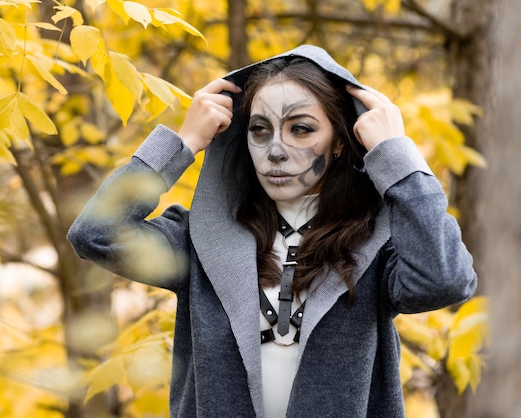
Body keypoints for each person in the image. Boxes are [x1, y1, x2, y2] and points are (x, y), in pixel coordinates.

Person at [67, 45, 477, 418]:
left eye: (301, 129)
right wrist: (184, 142)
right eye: (259, 130)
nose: (276, 149)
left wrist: (397, 157)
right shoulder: (200, 242)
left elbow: (444, 281)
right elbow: (96, 234)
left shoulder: (375, 245)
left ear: (338, 141)